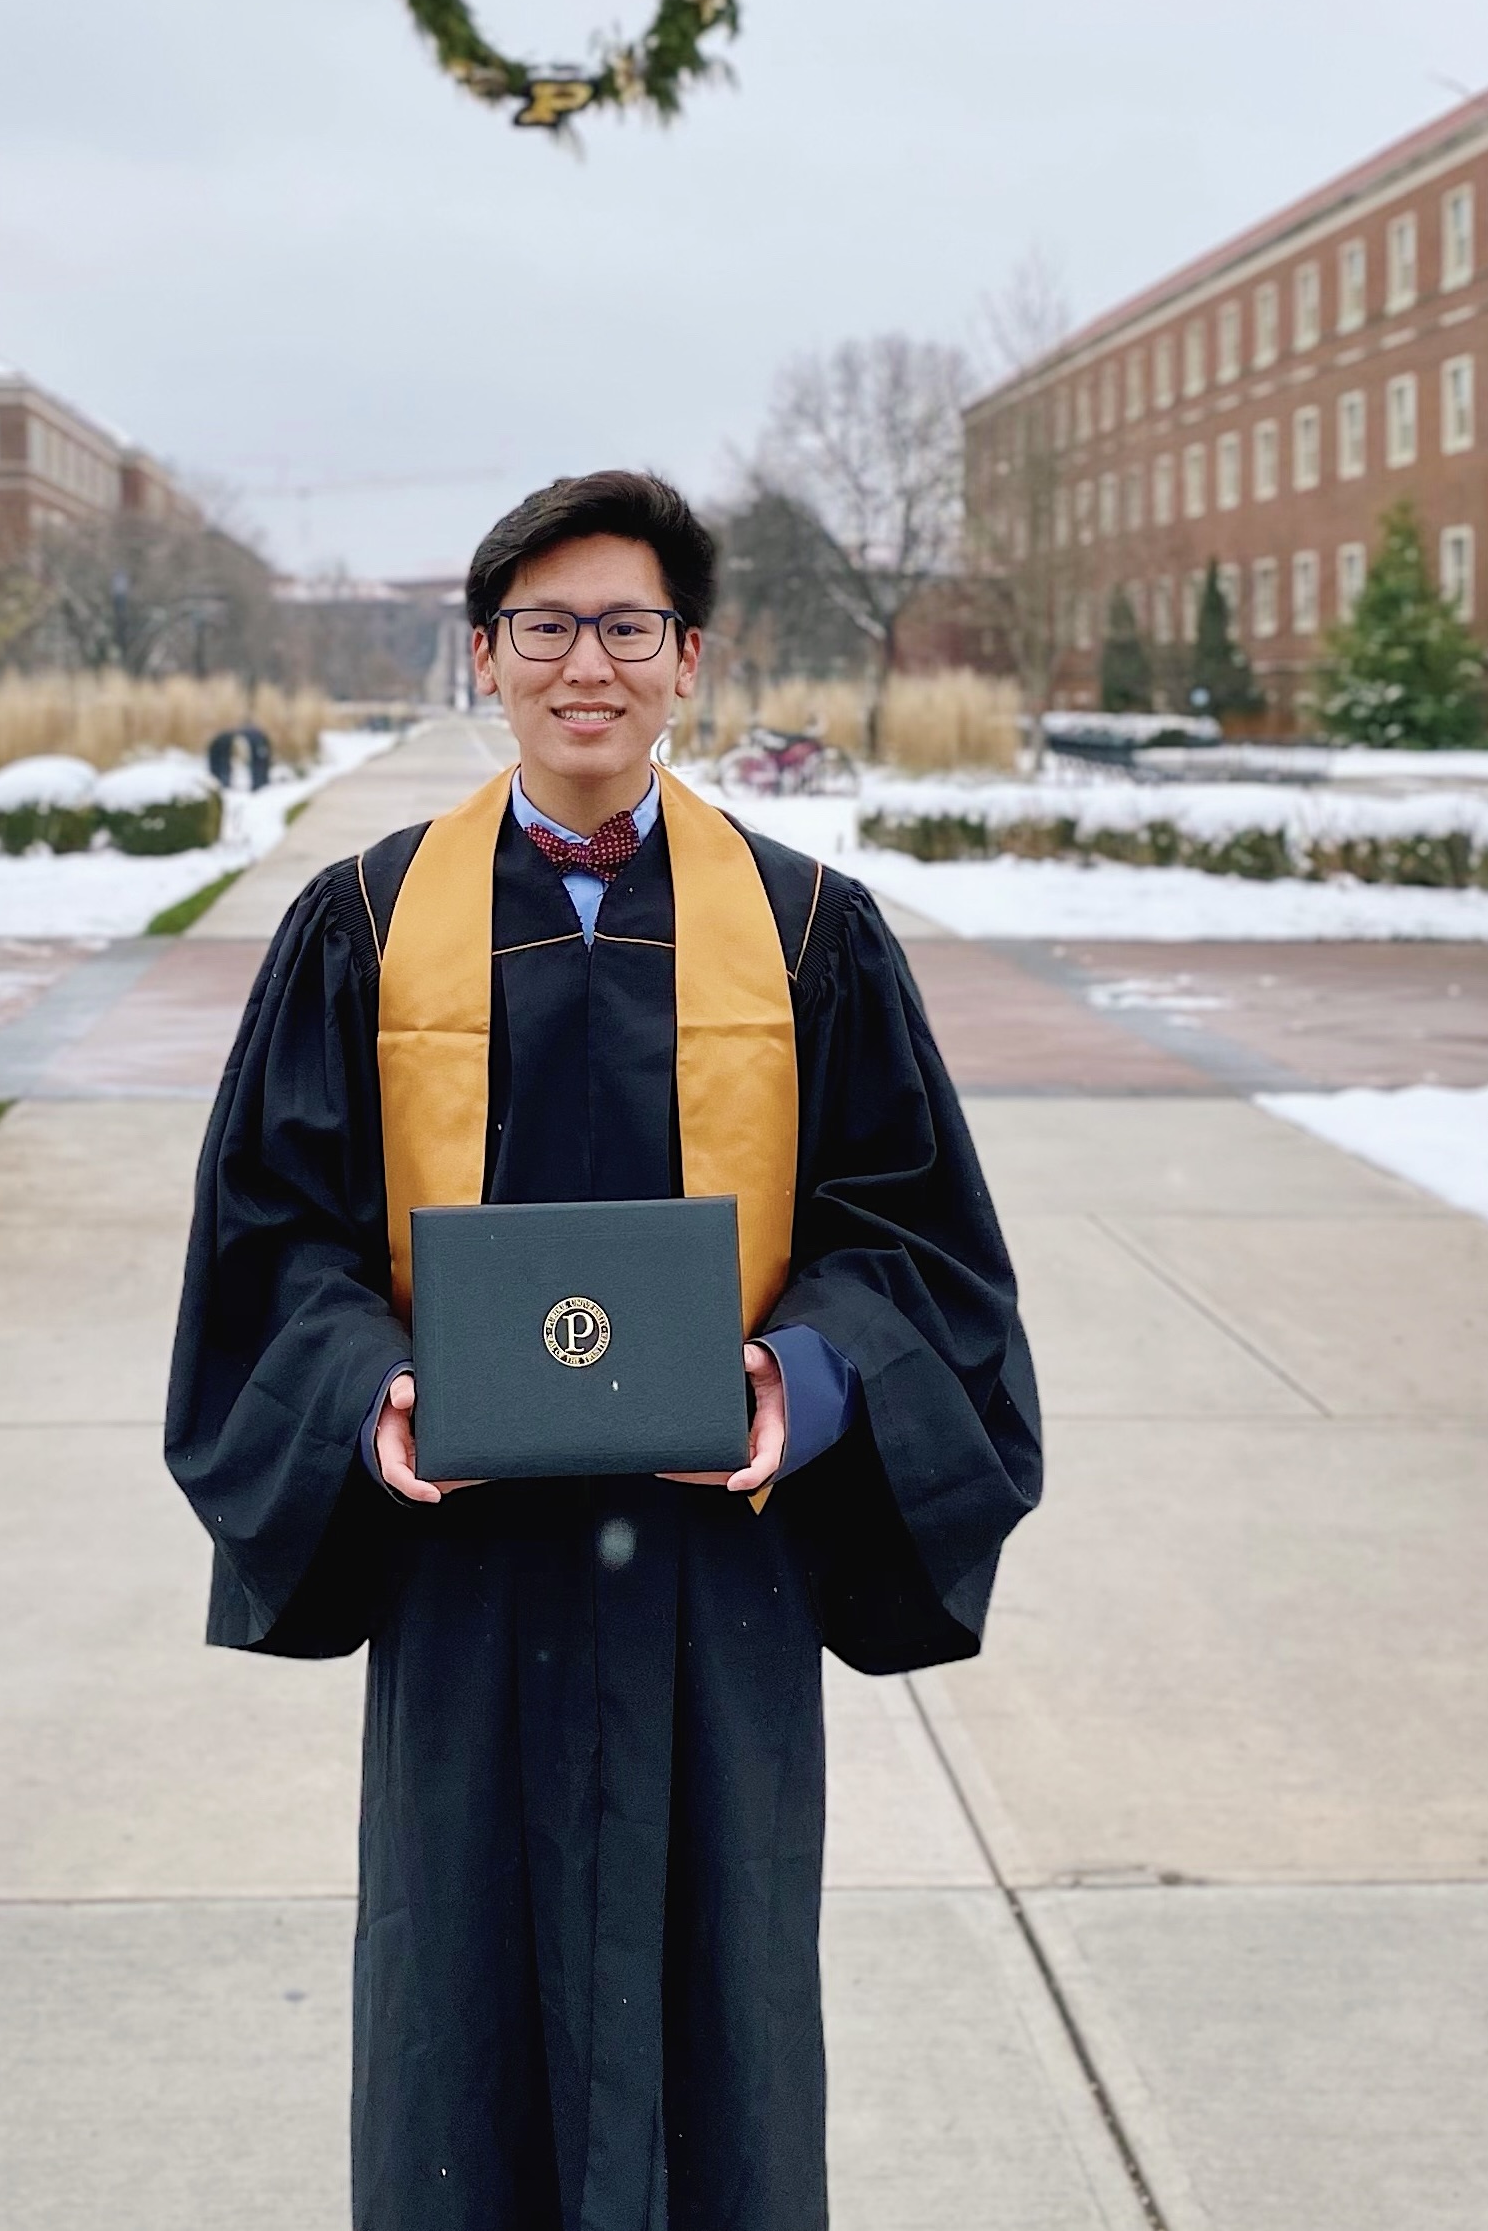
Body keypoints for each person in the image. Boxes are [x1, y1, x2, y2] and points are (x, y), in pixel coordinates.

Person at [167, 471, 1041, 2231]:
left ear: (689, 661)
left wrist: (809, 1380)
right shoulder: (362, 925)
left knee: (717, 2018)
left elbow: (916, 1244)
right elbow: (275, 1243)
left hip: (716, 1577)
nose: (590, 665)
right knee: (459, 2028)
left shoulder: (806, 934)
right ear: (484, 657)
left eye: (628, 627)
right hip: (465, 1573)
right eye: (546, 627)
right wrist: (366, 1395)